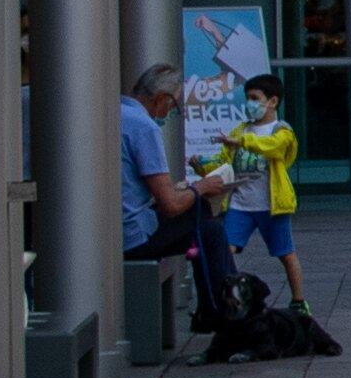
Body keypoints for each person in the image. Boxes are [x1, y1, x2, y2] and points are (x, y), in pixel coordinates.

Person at [119, 60, 239, 319]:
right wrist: (202, 186)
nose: (171, 113)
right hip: (132, 235)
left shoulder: (117, 113)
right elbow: (170, 206)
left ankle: (214, 310)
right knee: (209, 225)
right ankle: (225, 310)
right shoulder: (144, 126)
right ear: (160, 99)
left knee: (204, 225)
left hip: (112, 229)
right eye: (174, 106)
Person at [199, 68, 312, 320]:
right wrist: (201, 166)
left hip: (271, 206)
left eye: (255, 98)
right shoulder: (241, 130)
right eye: (247, 98)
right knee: (225, 251)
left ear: (273, 101)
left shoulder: (282, 131)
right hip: (240, 205)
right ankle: (225, 302)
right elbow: (223, 162)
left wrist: (244, 143)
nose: (250, 103)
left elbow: (275, 148)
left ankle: (298, 300)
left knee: (285, 253)